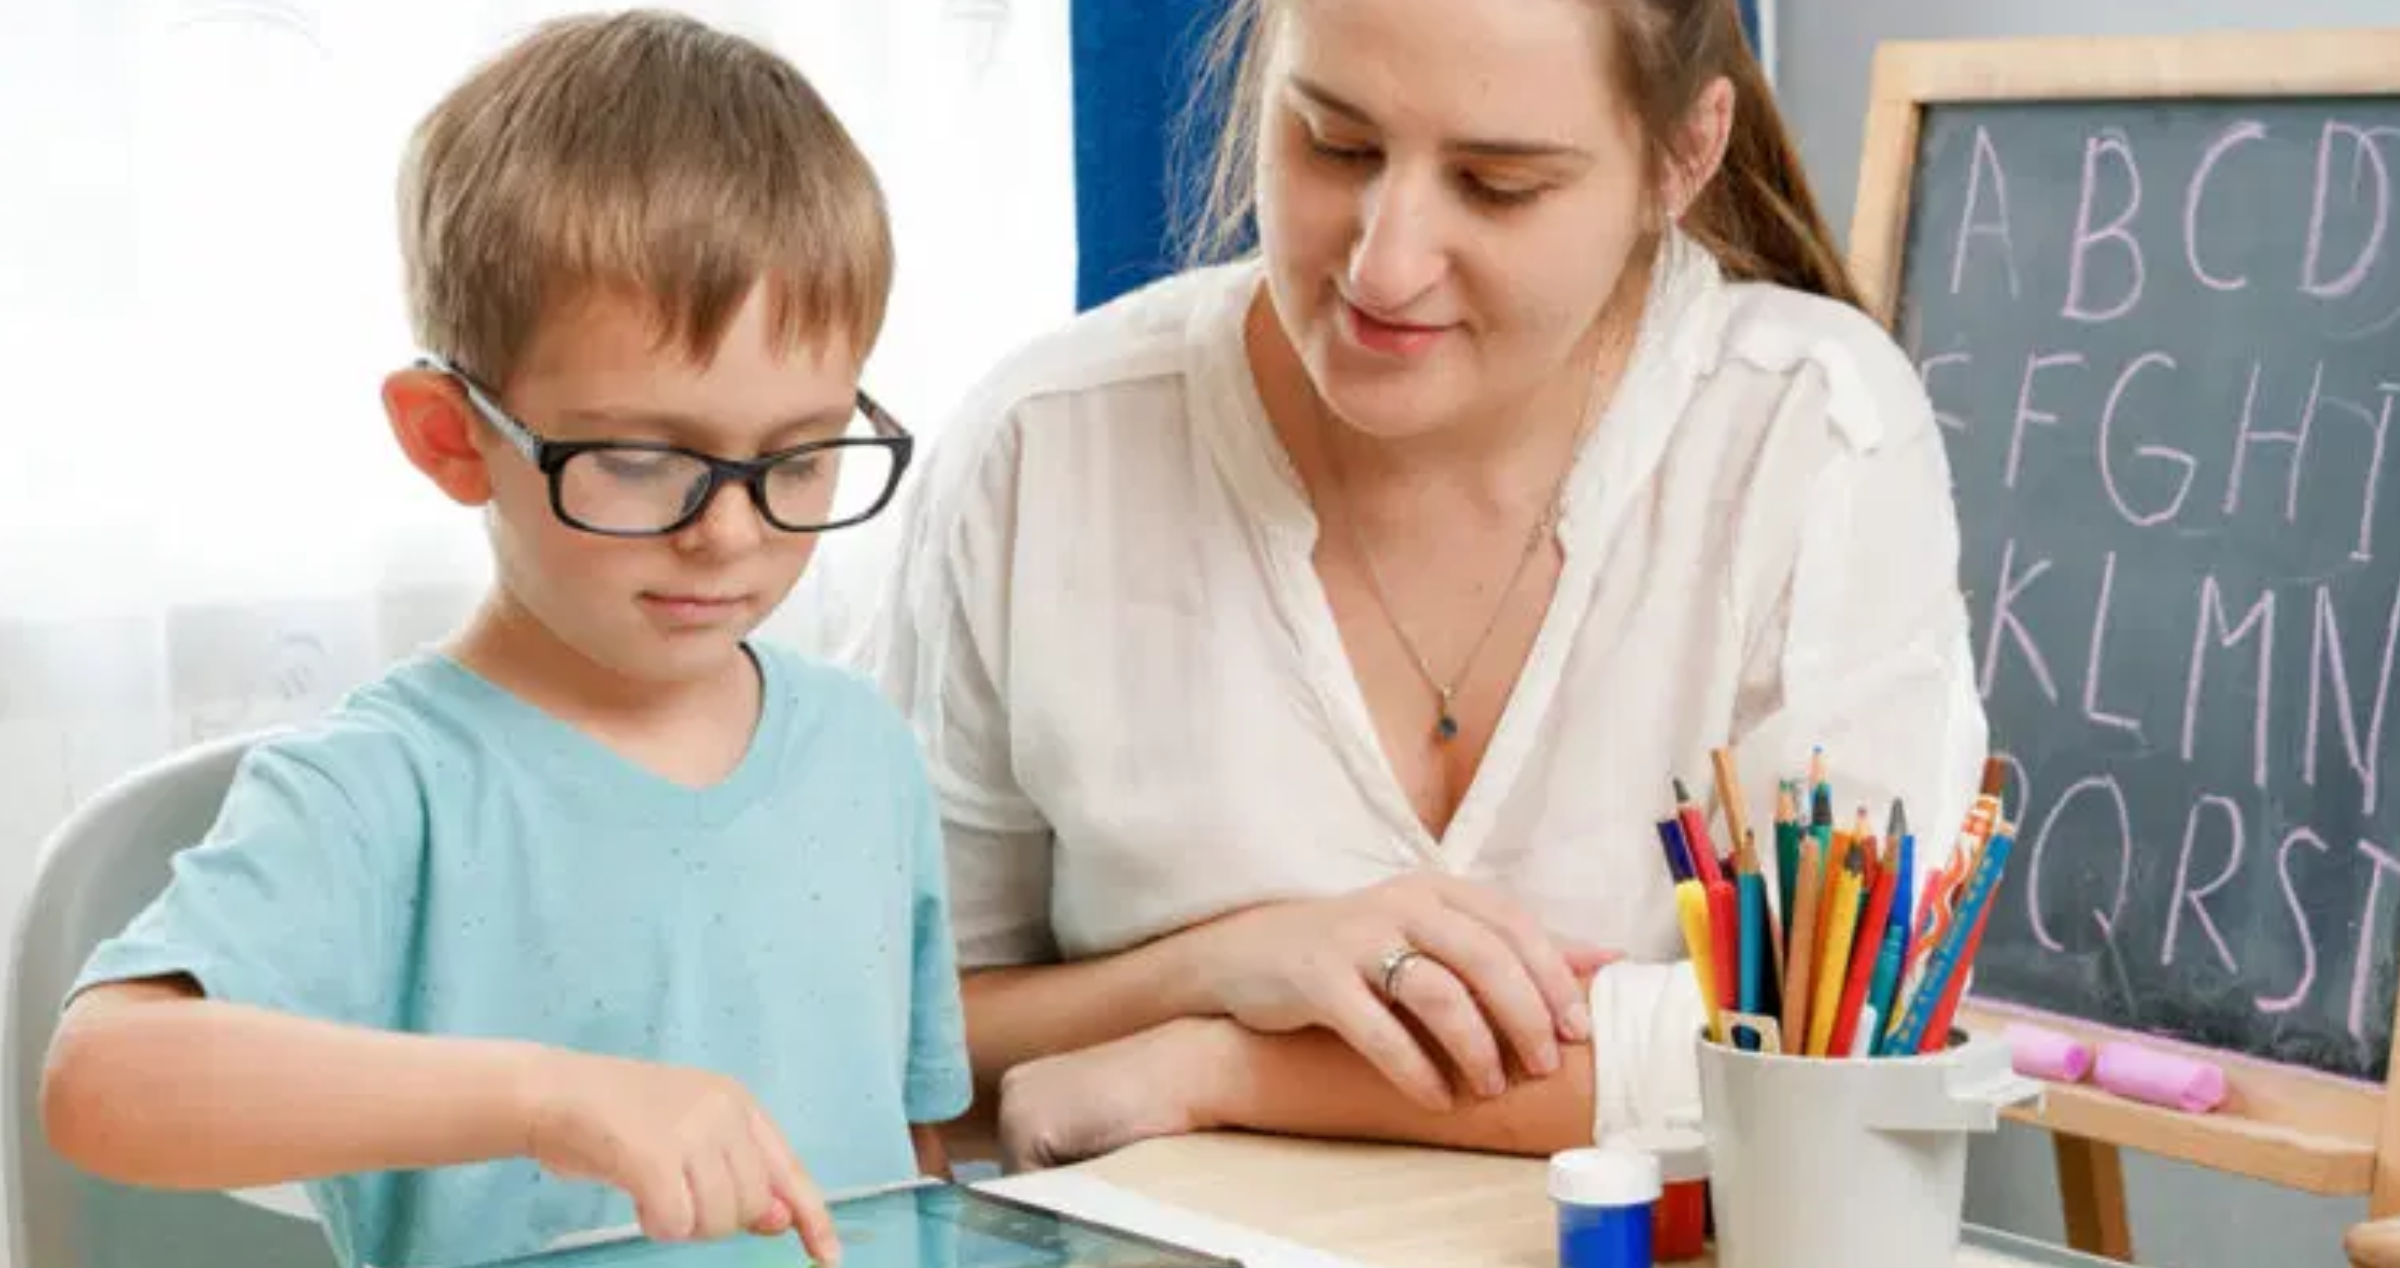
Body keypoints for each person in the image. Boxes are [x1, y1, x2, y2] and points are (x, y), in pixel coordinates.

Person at [859, 0, 1985, 1170]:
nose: (1384, 267)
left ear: (1684, 155)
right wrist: (1218, 963)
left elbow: (1837, 1047)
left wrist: (1220, 1065)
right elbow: (897, 1032)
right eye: (1333, 144)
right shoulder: (1043, 446)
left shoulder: (1813, 429)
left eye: (1498, 184)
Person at [39, 13, 966, 1268]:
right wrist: (547, 1094)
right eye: (643, 459)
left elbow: (915, 1174)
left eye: (798, 456)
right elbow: (104, 1078)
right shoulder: (383, 790)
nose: (732, 534)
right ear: (449, 435)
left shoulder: (865, 751)